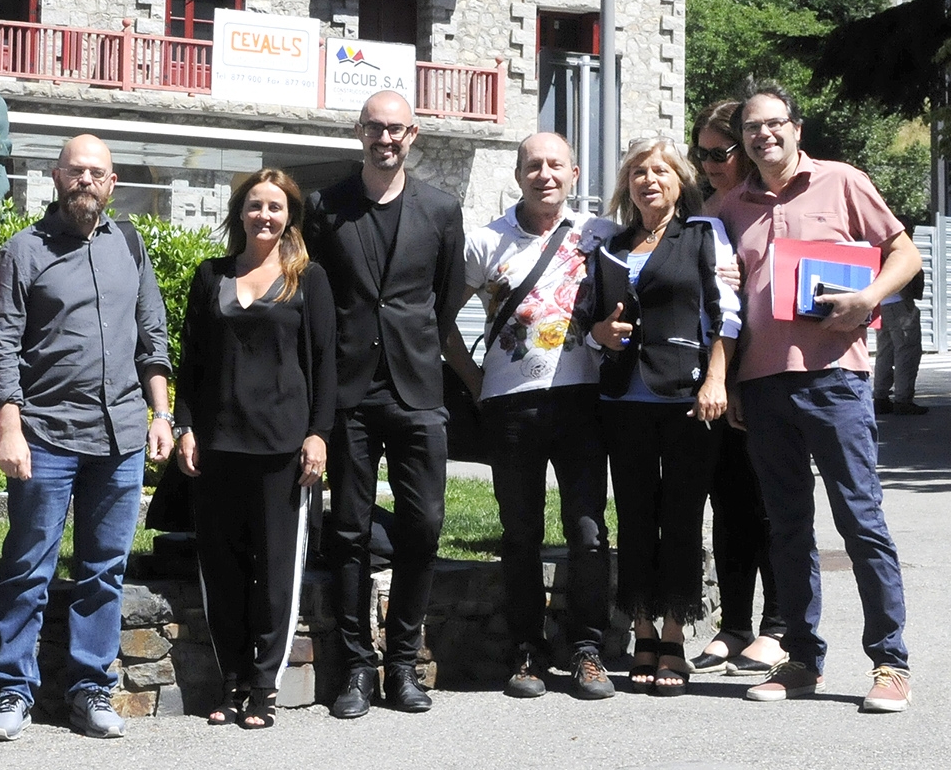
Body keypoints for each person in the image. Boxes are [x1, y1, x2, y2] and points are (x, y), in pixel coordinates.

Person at [714, 80, 923, 712]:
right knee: (787, 530)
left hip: (836, 381)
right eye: (752, 128)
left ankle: (890, 663)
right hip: (763, 385)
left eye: (774, 124)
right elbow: (730, 307)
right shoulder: (731, 207)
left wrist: (869, 297)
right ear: (743, 140)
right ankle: (802, 660)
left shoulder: (842, 181)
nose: (764, 136)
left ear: (796, 129)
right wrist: (733, 379)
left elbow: (904, 251)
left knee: (861, 523)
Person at [0, 134, 174, 741]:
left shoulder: (131, 246)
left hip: (119, 438)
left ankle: (90, 689)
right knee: (28, 567)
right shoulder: (23, 251)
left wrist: (161, 415)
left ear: (112, 184)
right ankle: (13, 691)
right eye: (75, 171)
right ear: (55, 178)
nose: (86, 180)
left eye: (97, 172)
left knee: (103, 570)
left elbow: (152, 337)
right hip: (46, 435)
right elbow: (1, 349)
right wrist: (8, 429)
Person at [304, 90, 466, 719]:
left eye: (397, 129)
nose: (386, 139)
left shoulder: (442, 208)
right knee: (346, 530)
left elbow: (445, 296)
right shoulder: (325, 208)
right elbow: (316, 292)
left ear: (413, 134)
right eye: (376, 128)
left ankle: (401, 665)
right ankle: (355, 669)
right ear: (360, 132)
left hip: (418, 388)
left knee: (423, 527)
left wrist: (414, 341)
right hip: (348, 390)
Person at [447, 132, 615, 701]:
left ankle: (587, 649)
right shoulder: (484, 241)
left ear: (573, 173)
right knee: (519, 533)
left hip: (582, 399)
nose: (545, 174)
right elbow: (441, 320)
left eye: (555, 165)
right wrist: (474, 381)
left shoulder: (599, 235)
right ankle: (527, 648)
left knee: (589, 532)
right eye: (533, 165)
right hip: (509, 404)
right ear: (518, 174)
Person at [173, 168, 336, 730]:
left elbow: (324, 364)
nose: (264, 216)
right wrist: (185, 426)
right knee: (221, 570)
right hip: (217, 446)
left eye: (275, 207)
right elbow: (191, 362)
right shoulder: (209, 275)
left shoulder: (307, 279)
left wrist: (318, 434)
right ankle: (233, 679)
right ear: (239, 212)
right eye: (254, 206)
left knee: (274, 571)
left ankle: (265, 686)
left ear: (289, 215)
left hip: (281, 450)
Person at [587, 137, 738, 697]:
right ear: (627, 186)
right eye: (638, 173)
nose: (649, 180)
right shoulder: (610, 244)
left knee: (679, 516)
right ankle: (642, 627)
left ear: (679, 181)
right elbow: (590, 316)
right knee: (632, 513)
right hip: (622, 398)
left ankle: (674, 630)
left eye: (660, 171)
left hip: (687, 398)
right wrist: (599, 332)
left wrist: (717, 378)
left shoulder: (703, 236)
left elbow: (728, 314)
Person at [688, 101, 787, 676]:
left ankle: (779, 625)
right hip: (714, 376)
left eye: (718, 153)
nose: (708, 164)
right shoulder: (707, 208)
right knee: (727, 504)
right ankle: (734, 626)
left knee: (771, 504)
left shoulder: (759, 205)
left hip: (765, 370)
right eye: (700, 154)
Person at [872, 231, 926, 417]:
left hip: (882, 303)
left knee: (885, 351)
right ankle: (903, 399)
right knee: (907, 351)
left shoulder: (879, 245)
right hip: (899, 304)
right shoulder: (900, 247)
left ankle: (880, 397)